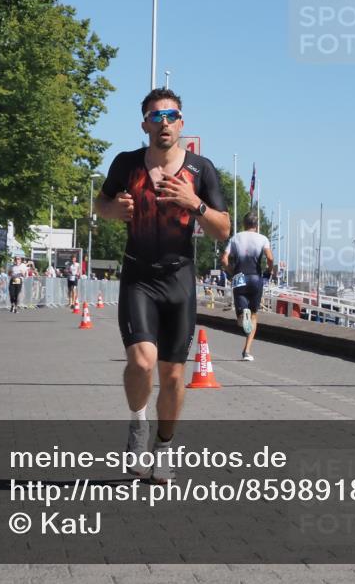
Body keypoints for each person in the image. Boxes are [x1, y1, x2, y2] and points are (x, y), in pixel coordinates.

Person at [93, 88, 229, 483]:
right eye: (156, 117)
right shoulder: (126, 164)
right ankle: (138, 425)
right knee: (141, 361)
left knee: (172, 375)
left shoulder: (201, 171)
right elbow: (100, 205)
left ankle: (165, 445)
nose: (164, 122)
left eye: (171, 116)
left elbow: (223, 230)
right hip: (138, 275)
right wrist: (112, 211)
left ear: (182, 123)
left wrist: (195, 203)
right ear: (145, 125)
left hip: (179, 279)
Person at [221, 212, 275, 361]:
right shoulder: (263, 239)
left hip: (239, 277)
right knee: (254, 315)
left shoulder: (235, 238)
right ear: (256, 225)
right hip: (255, 277)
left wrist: (232, 272)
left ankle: (241, 316)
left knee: (240, 316)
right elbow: (270, 258)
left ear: (244, 224)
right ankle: (247, 351)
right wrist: (269, 271)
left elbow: (224, 259)